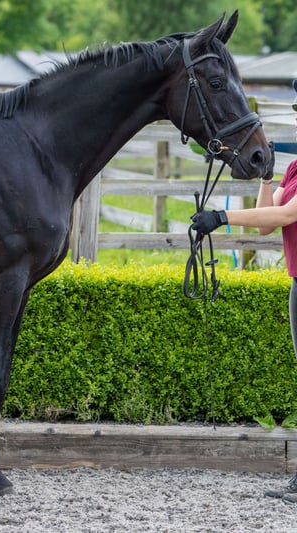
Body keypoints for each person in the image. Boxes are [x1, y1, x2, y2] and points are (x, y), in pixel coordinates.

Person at [190, 79, 297, 503]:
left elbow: (287, 215)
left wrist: (222, 216)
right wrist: (266, 175)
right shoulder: (295, 168)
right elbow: (269, 221)